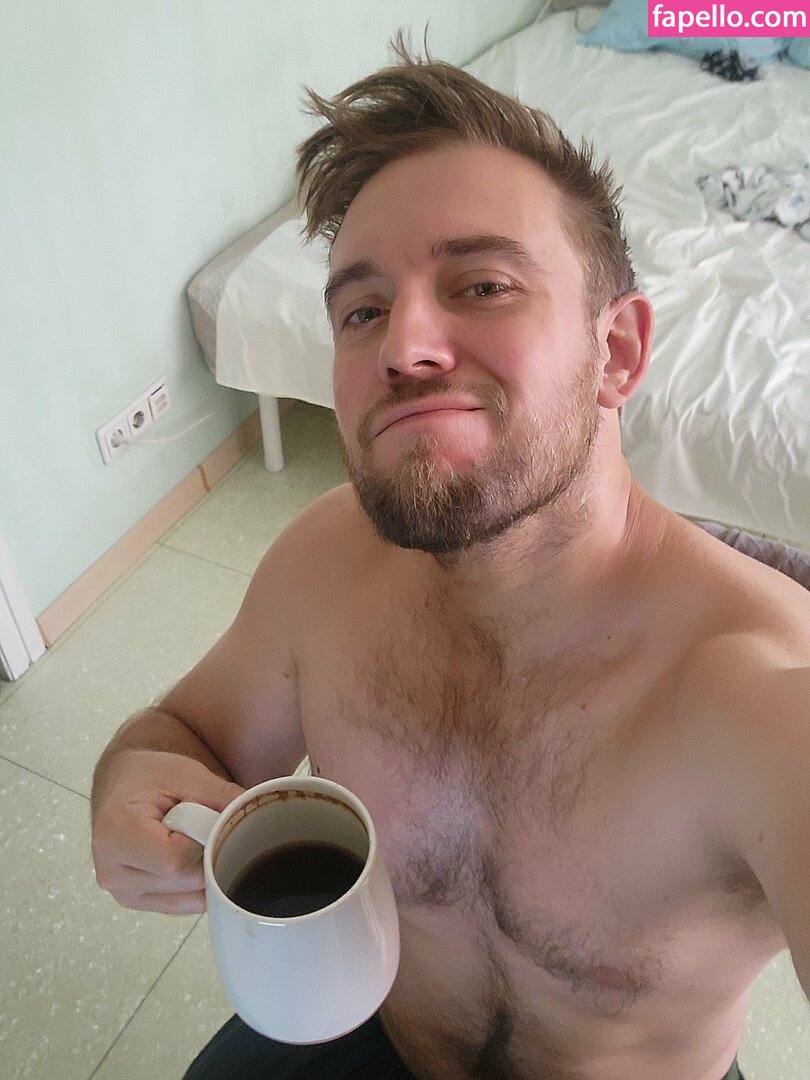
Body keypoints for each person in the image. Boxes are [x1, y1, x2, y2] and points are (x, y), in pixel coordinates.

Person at [90, 38, 810, 1080]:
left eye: (482, 284)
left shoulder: (760, 689)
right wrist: (130, 784)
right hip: (370, 1031)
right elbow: (182, 735)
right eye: (363, 310)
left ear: (616, 352)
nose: (403, 347)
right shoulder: (324, 565)